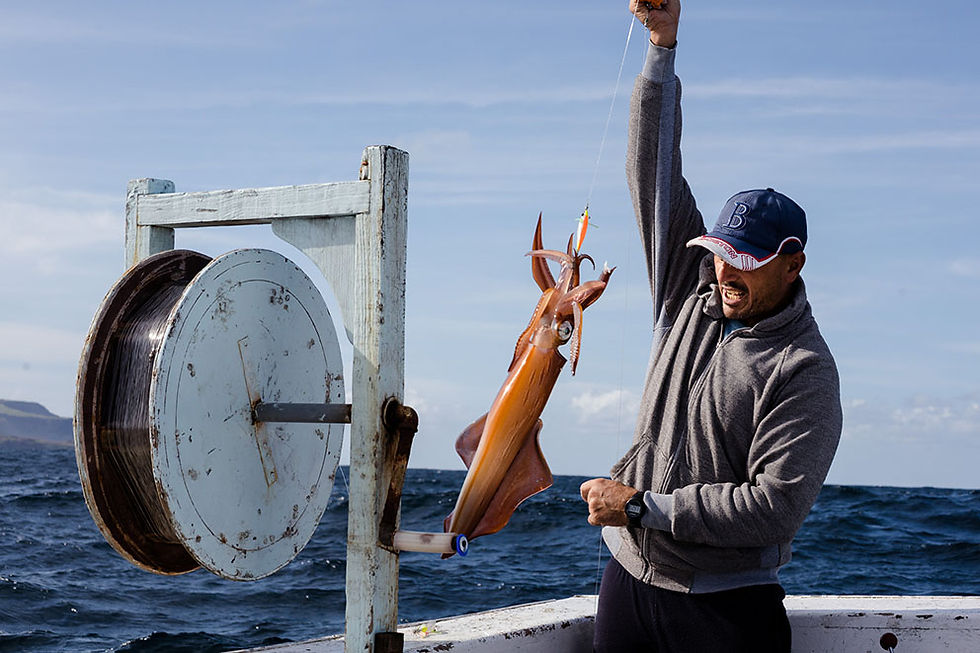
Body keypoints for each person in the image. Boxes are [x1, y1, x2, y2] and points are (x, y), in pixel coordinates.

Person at [579, 1, 842, 651]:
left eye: (746, 263)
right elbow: (653, 171)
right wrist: (662, 46)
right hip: (628, 584)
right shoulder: (688, 289)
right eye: (721, 253)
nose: (725, 274)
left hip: (725, 612)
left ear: (792, 264)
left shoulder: (804, 369)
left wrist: (641, 505)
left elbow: (772, 507)